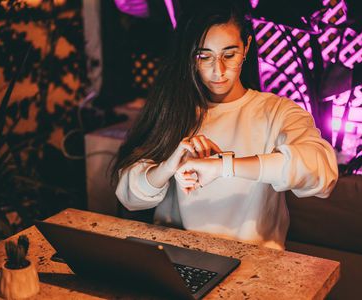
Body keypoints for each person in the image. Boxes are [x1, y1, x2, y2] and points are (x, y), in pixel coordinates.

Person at [113, 0, 338, 250]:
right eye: (204, 56)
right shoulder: (175, 110)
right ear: (190, 55)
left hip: (255, 268)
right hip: (176, 261)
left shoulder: (277, 112)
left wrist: (224, 167)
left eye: (229, 55)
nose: (218, 70)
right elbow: (130, 197)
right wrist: (167, 167)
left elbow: (321, 175)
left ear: (246, 47)